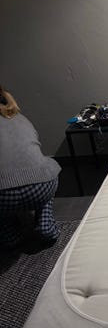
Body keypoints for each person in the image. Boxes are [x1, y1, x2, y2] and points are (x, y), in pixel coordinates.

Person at [0, 85, 61, 249]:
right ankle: (45, 224)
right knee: (49, 166)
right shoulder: (20, 118)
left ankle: (9, 236)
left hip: (3, 196)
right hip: (42, 186)